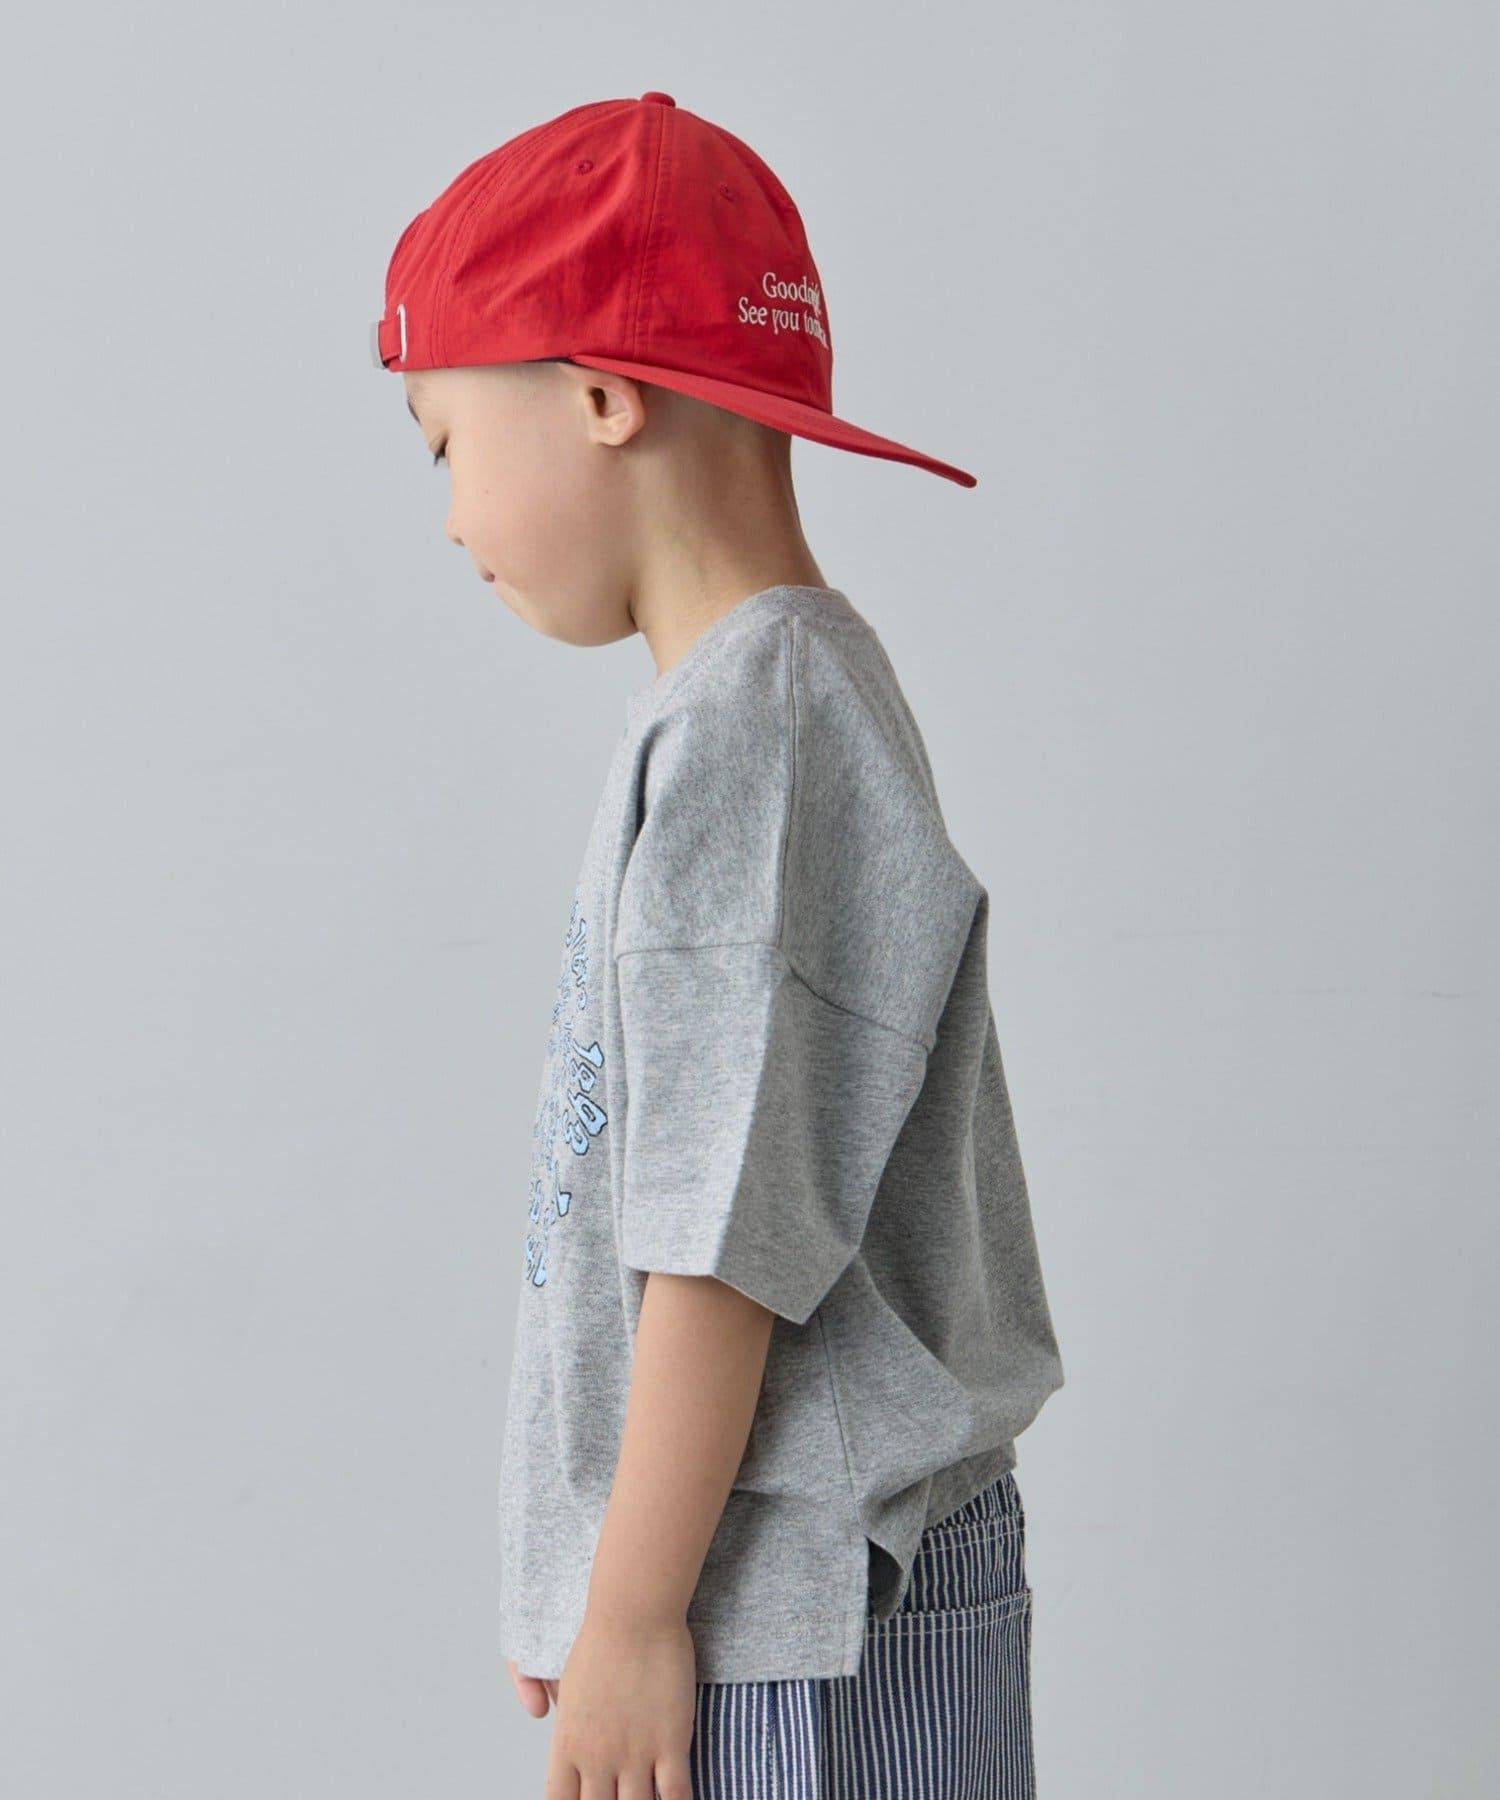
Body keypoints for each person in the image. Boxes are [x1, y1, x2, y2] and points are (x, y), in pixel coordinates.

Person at [372, 90, 1065, 1800]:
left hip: (800, 1614)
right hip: (760, 1594)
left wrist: (630, 1610)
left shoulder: (758, 728)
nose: (448, 517)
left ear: (601, 394)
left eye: (445, 444)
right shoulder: (764, 706)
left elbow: (723, 1238)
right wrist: (584, 1562)